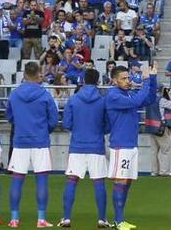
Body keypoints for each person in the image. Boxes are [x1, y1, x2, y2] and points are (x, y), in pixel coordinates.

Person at [5, 61, 59, 228]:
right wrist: (44, 131)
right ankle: (41, 219)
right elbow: (53, 119)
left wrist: (20, 126)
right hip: (40, 141)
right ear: (38, 74)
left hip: (20, 141)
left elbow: (9, 116)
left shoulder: (14, 94)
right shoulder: (45, 94)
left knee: (17, 179)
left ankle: (14, 219)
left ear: (24, 74)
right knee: (42, 180)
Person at [57, 69, 112, 228]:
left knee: (72, 181)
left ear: (83, 81)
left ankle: (66, 218)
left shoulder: (74, 99)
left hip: (77, 146)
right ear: (98, 82)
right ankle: (102, 219)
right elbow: (108, 125)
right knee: (99, 183)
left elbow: (66, 124)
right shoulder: (102, 100)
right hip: (96, 146)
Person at [105, 63, 157, 230]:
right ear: (114, 81)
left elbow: (149, 99)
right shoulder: (113, 95)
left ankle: (120, 219)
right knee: (121, 181)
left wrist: (153, 78)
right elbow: (138, 100)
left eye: (128, 77)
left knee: (127, 182)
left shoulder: (127, 94)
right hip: (120, 144)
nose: (128, 81)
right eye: (124, 79)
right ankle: (118, 221)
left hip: (130, 144)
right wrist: (146, 80)